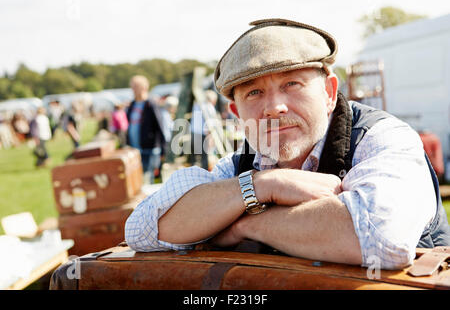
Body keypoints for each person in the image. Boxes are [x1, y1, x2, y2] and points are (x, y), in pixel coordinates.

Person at [125, 19, 450, 270]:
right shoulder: (241, 166)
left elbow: (381, 240)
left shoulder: (382, 138)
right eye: (254, 92)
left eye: (291, 83)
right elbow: (142, 230)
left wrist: (243, 224)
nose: (273, 107)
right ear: (237, 113)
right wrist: (265, 185)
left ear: (329, 92)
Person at [126, 75, 165, 184]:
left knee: (148, 179)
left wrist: (163, 148)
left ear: (144, 88)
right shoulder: (132, 105)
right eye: (132, 87)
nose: (133, 90)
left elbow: (160, 126)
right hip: (135, 149)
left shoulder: (151, 104)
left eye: (136, 87)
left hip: (150, 149)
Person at [190, 90, 219, 169]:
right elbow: (211, 123)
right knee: (204, 157)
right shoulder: (209, 106)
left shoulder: (196, 105)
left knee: (194, 157)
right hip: (202, 134)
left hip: (193, 133)